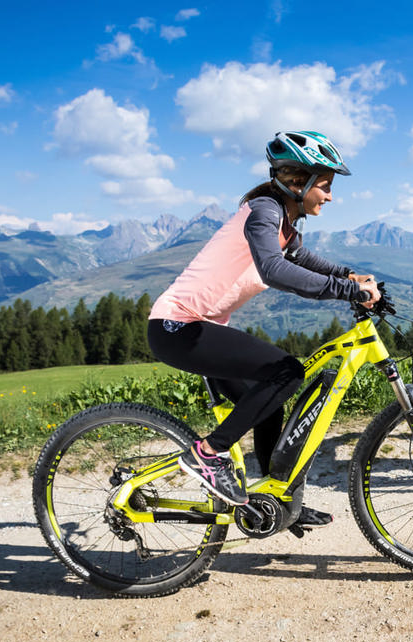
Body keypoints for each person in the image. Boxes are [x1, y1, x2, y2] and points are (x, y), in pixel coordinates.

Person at [148, 130, 380, 527]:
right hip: (178, 328)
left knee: (269, 403)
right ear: (296, 183)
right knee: (286, 371)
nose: (329, 196)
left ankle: (279, 501)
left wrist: (348, 274)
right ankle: (207, 454)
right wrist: (346, 291)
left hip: (197, 328)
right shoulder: (264, 212)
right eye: (324, 186)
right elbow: (274, 269)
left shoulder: (283, 220)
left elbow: (300, 256)